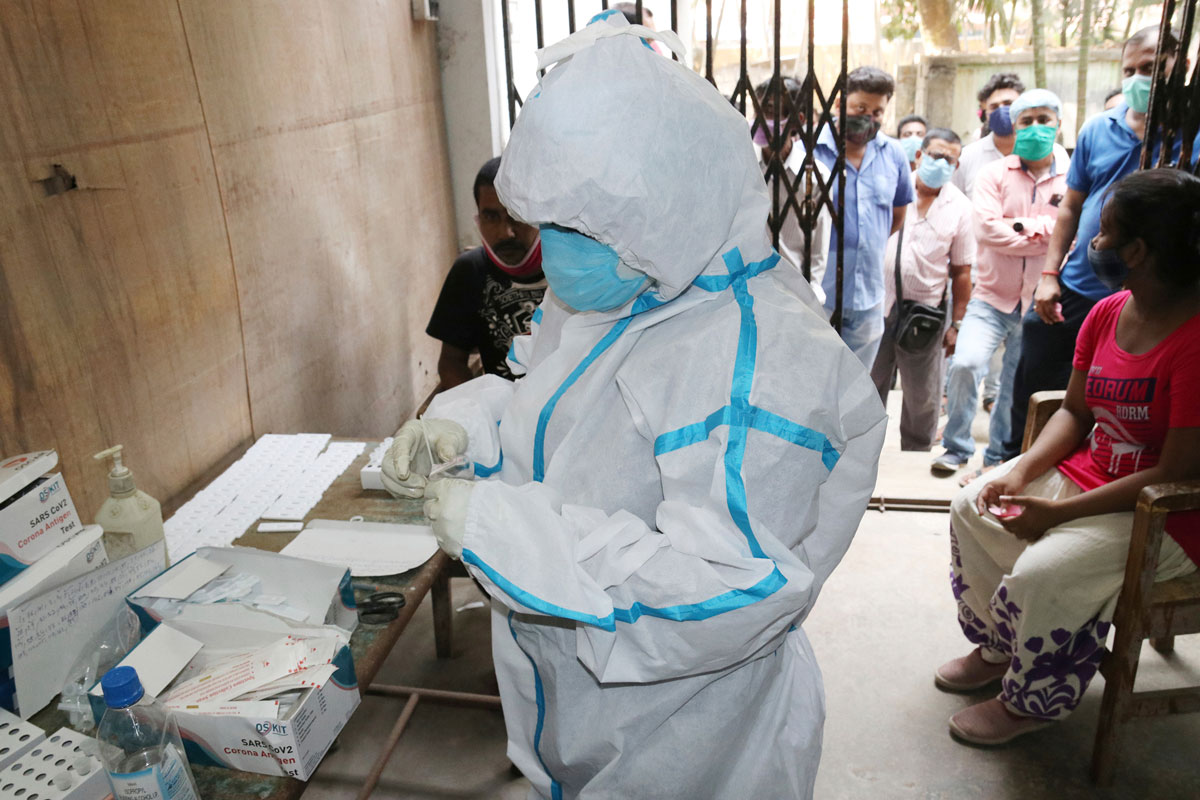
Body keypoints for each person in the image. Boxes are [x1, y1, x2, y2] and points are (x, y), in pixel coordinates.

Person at [380, 13, 886, 798]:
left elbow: (732, 588)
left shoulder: (760, 363)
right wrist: (465, 428)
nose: (553, 246)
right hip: (584, 707)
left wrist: (503, 530)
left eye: (578, 224)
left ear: (666, 206)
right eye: (548, 219)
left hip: (690, 733)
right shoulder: (630, 285)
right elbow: (558, 415)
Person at [936, 168, 1200, 745]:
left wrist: (1056, 516)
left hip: (1168, 514)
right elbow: (1077, 412)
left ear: (1138, 250)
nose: (1089, 245)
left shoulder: (1195, 340)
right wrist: (1023, 472)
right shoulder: (1108, 312)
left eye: (1102, 231)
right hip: (1095, 473)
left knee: (1044, 572)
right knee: (972, 508)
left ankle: (1031, 700)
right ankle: (1001, 646)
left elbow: (1175, 473)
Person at [997, 25, 1198, 467]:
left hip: (1155, 293)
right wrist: (1050, 275)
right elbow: (1070, 206)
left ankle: (1108, 469)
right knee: (1038, 370)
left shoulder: (1193, 132)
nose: (1137, 79)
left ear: (1180, 66)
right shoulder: (1098, 130)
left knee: (1130, 396)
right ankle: (1012, 460)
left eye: (1149, 67)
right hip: (1083, 282)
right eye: (1129, 70)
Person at [933, 89, 1070, 477]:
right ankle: (955, 447)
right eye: (1027, 121)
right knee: (965, 364)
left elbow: (1072, 234)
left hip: (1041, 299)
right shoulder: (994, 174)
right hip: (991, 296)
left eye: (1045, 119)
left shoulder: (1073, 175)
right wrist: (1046, 230)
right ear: (1015, 125)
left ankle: (994, 461)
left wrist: (1020, 228)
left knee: (1014, 384)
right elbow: (987, 231)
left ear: (1058, 125)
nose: (1036, 127)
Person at [871, 128, 974, 450]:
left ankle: (914, 454)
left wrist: (957, 324)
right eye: (935, 156)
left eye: (949, 159)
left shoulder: (960, 207)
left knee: (923, 396)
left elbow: (961, 272)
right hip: (876, 305)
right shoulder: (892, 187)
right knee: (867, 385)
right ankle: (859, 455)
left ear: (956, 166)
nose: (940, 163)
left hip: (925, 314)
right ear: (919, 155)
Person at [815, 66, 915, 368]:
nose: (868, 117)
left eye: (877, 111)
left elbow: (897, 215)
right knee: (810, 382)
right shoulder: (812, 150)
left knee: (856, 389)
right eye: (860, 108)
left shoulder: (893, 153)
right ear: (838, 104)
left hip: (868, 296)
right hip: (818, 296)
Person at [425, 157, 545, 390]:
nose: (506, 232)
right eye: (491, 217)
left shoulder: (569, 266)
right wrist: (480, 411)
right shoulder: (469, 271)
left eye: (516, 216)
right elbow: (451, 363)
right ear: (478, 218)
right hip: (502, 413)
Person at [754, 76, 831, 302]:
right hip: (745, 289)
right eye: (758, 110)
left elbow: (818, 248)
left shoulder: (816, 177)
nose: (760, 119)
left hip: (792, 292)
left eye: (770, 111)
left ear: (796, 120)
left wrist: (811, 292)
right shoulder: (743, 165)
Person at [951, 74, 1071, 201]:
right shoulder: (967, 156)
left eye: (1008, 104)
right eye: (994, 107)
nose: (1002, 111)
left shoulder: (1054, 154)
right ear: (985, 113)